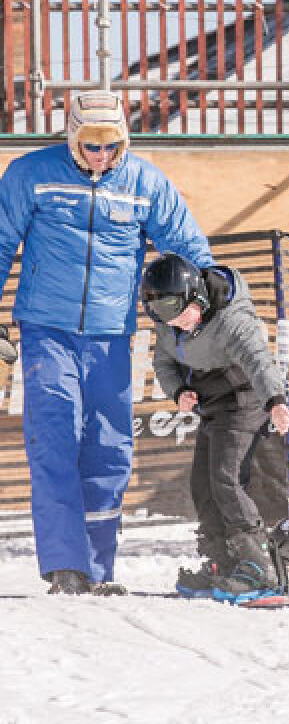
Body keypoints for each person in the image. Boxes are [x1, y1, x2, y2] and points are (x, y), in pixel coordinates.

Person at [0, 90, 213, 596]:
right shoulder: (30, 174)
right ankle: (65, 566)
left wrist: (210, 295)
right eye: (90, 145)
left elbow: (188, 247)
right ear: (72, 137)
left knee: (110, 445)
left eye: (111, 146)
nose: (100, 155)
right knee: (55, 437)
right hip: (47, 330)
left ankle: (98, 568)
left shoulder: (145, 183)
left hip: (112, 334)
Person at [142, 253, 289, 602]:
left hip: (245, 400)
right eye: (163, 316)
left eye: (179, 314)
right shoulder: (168, 322)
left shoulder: (230, 320)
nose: (175, 324)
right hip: (213, 406)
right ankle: (223, 561)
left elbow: (259, 361)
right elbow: (163, 361)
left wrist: (276, 401)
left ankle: (259, 566)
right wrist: (177, 391)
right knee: (202, 485)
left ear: (196, 296)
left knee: (227, 478)